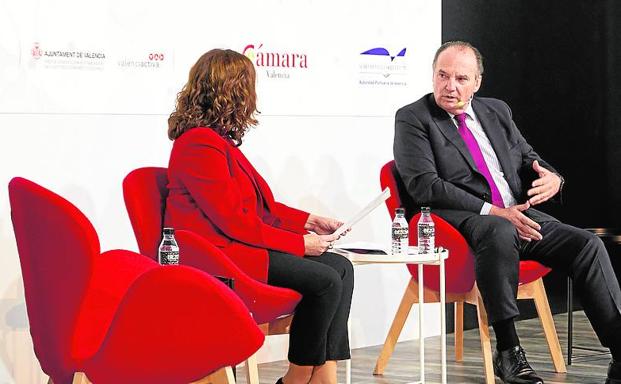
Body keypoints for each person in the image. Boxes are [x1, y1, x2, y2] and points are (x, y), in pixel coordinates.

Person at [394, 40, 621, 384]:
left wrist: (555, 178)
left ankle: (620, 348)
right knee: (498, 230)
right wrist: (493, 212)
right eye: (442, 75)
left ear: (477, 83)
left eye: (460, 78)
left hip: (516, 212)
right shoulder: (414, 118)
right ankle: (508, 352)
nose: (450, 86)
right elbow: (424, 185)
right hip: (459, 221)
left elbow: (528, 157)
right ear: (433, 75)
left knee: (587, 245)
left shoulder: (496, 111)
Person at [164, 49, 354, 384]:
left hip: (235, 246)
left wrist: (308, 221)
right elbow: (234, 221)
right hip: (218, 256)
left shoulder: (218, 142)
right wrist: (300, 244)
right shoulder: (199, 145)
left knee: (341, 267)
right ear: (236, 93)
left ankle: (324, 376)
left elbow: (257, 206)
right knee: (324, 281)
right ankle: (297, 378)